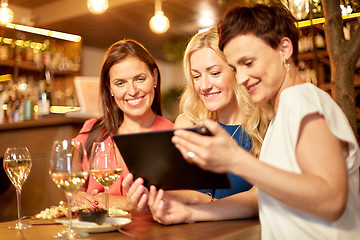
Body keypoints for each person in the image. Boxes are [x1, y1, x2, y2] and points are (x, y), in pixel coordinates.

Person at [168, 3, 360, 239]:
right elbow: (264, 197)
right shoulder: (283, 112)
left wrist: (236, 161)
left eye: (248, 63)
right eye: (235, 68)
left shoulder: (302, 102)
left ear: (284, 49)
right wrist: (187, 212)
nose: (241, 78)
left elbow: (331, 201)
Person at [123, 27, 272, 217]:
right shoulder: (186, 124)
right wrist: (152, 197)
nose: (204, 85)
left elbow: (261, 199)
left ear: (235, 71)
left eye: (214, 73)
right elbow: (180, 194)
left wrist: (199, 205)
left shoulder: (264, 125)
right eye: (196, 76)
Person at [72, 39, 174, 211]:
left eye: (139, 79)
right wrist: (76, 196)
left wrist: (126, 203)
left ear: (154, 77)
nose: (132, 91)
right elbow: (73, 186)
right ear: (109, 86)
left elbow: (176, 200)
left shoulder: (172, 135)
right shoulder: (92, 131)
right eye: (120, 83)